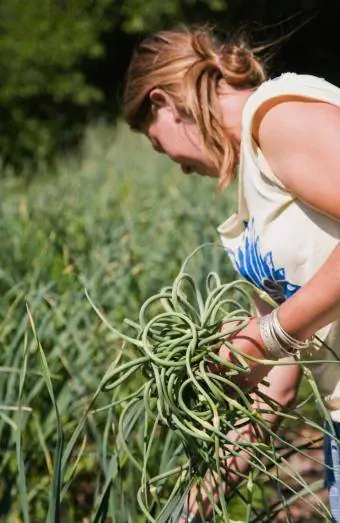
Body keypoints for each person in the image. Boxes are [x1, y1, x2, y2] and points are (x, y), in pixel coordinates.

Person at [123, 25, 340, 522]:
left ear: (165, 102)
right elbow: (275, 385)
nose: (176, 166)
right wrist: (192, 508)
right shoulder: (252, 210)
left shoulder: (279, 114)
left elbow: (273, 338)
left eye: (159, 145)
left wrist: (267, 335)